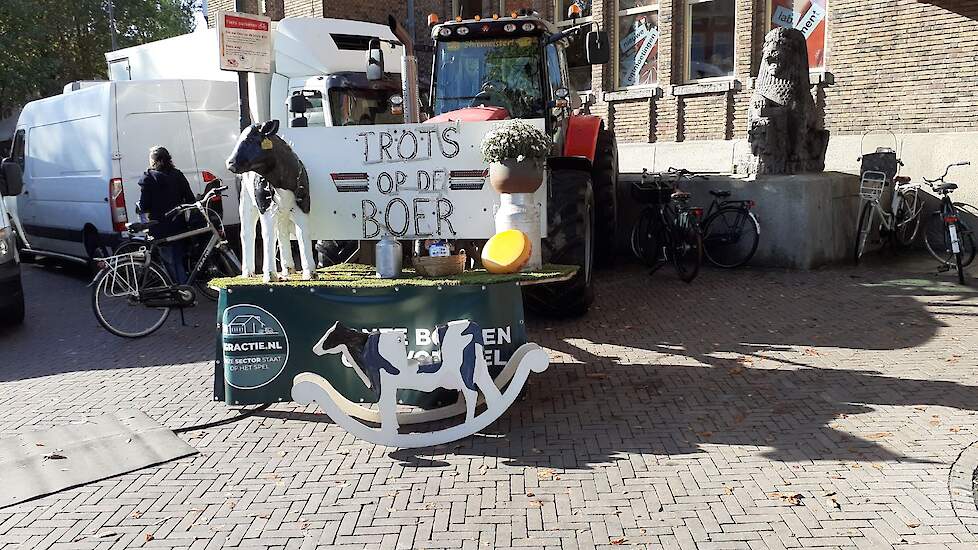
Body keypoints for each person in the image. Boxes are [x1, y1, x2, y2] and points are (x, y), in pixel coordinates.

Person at [137, 147, 195, 284]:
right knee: (178, 260)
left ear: (156, 161)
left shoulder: (149, 178)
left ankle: (179, 291)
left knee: (168, 263)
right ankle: (185, 289)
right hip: (179, 225)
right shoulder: (178, 175)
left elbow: (144, 205)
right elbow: (190, 199)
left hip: (159, 227)